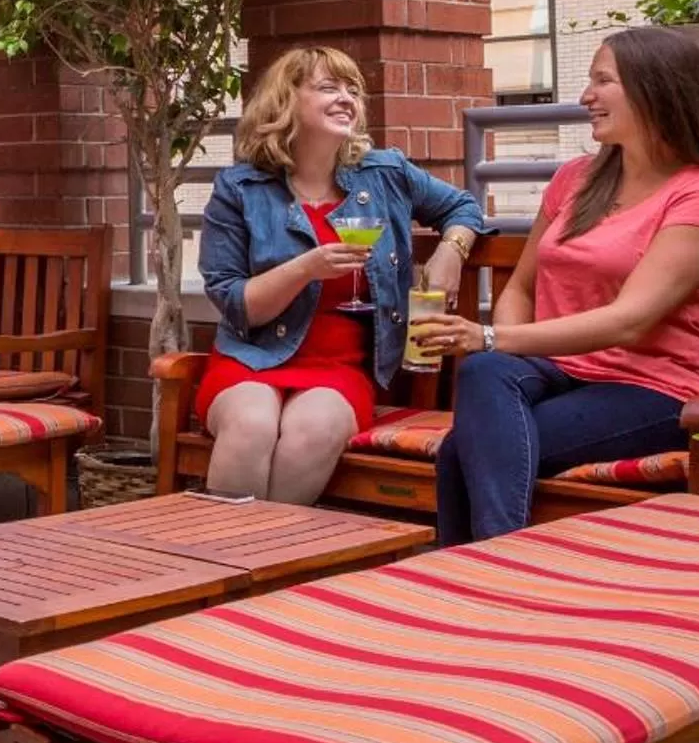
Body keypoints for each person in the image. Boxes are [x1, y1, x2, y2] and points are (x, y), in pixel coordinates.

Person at [417, 27, 699, 544]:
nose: (585, 96)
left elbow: (630, 322)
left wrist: (489, 339)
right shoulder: (576, 179)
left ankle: (484, 568)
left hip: (651, 389)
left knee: (467, 446)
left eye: (602, 80)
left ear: (655, 89)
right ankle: (488, 571)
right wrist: (505, 351)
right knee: (485, 375)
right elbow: (521, 289)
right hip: (557, 372)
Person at [194, 49, 487, 504]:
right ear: (285, 102)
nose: (347, 98)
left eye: (353, 89)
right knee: (251, 426)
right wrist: (305, 268)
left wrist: (452, 249)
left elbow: (463, 207)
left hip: (342, 367)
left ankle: (270, 561)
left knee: (311, 431)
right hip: (252, 357)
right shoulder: (241, 189)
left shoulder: (385, 173)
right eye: (328, 87)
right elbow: (236, 302)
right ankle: (233, 565)